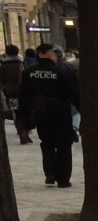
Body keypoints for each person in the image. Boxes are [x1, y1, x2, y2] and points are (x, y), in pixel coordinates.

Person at [20, 42, 79, 187]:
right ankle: (63, 178)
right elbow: (74, 93)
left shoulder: (29, 72)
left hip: (41, 111)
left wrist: (26, 119)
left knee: (47, 143)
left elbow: (23, 96)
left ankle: (50, 173)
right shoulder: (63, 70)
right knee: (64, 144)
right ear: (50, 54)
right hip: (61, 111)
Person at [1, 44, 30, 144]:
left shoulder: (3, 66)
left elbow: (2, 80)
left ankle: (20, 132)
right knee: (25, 112)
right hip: (24, 93)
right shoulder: (22, 64)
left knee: (16, 112)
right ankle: (25, 132)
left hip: (11, 93)